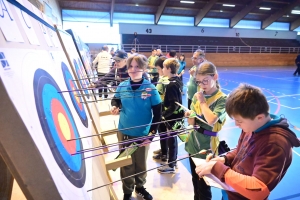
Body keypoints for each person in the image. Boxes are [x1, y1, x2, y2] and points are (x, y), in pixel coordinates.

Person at [195, 83, 300, 200]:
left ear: (259, 117)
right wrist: (224, 159)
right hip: (231, 193)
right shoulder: (252, 126)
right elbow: (242, 150)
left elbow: (258, 189)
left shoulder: (275, 144)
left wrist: (218, 168)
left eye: (239, 121)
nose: (236, 125)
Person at [111, 54, 162, 200]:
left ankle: (140, 187)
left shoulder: (151, 88)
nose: (133, 70)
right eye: (131, 66)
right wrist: (115, 106)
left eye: (137, 66)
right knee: (125, 163)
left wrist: (151, 136)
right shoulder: (122, 86)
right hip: (124, 132)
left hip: (142, 134)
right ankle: (127, 192)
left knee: (140, 164)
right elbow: (116, 99)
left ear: (144, 68)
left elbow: (158, 114)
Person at [184, 61, 227, 200]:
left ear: (215, 77)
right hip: (193, 142)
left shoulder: (222, 99)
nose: (202, 85)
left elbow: (211, 120)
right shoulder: (198, 95)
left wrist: (202, 102)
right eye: (199, 82)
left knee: (204, 184)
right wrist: (189, 116)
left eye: (205, 81)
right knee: (195, 179)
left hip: (207, 145)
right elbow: (192, 122)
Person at [155, 58, 184, 174]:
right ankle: (172, 161)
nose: (162, 69)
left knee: (172, 140)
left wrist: (163, 115)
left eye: (163, 67)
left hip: (173, 116)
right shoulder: (177, 80)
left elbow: (174, 105)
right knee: (172, 139)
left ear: (168, 69)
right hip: (176, 115)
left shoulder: (171, 85)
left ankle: (171, 164)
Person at [152, 56, 169, 159]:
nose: (158, 71)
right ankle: (163, 149)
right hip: (162, 109)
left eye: (159, 69)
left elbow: (157, 94)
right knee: (162, 132)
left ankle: (164, 153)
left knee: (163, 132)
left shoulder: (164, 79)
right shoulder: (164, 78)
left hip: (164, 110)